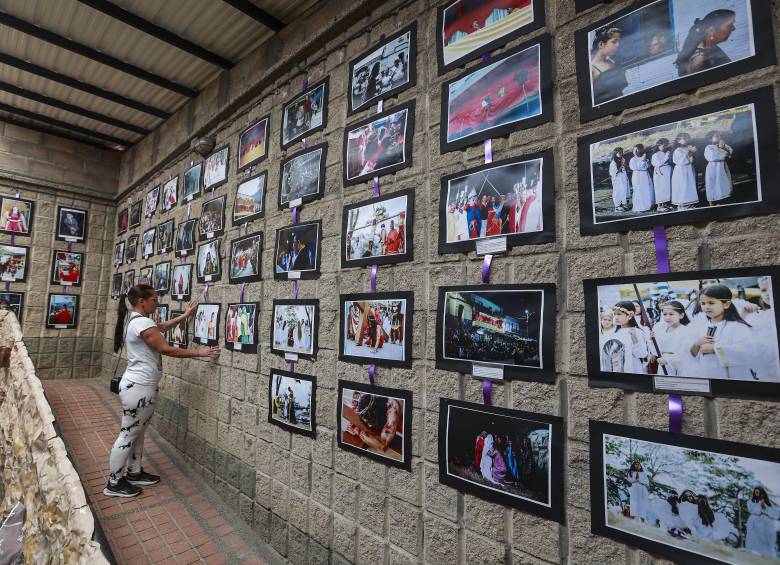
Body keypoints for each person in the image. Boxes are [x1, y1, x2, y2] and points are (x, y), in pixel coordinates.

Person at [105, 285, 219, 498]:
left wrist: (185, 316)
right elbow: (165, 348)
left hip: (138, 386)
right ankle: (114, 482)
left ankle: (134, 472)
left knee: (137, 432)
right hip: (139, 387)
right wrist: (201, 352)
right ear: (142, 301)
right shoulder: (142, 322)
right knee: (128, 434)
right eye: (154, 299)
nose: (157, 302)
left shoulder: (137, 320)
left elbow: (161, 328)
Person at [687, 284, 754, 380]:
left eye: (711, 303)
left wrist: (715, 348)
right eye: (703, 303)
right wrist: (697, 344)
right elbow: (690, 355)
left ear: (726, 304)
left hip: (731, 379)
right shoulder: (701, 326)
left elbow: (746, 352)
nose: (706, 307)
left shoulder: (737, 327)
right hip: (706, 376)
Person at [675, 10, 736, 76]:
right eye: (729, 25)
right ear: (712, 30)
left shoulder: (709, 47)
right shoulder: (699, 59)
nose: (733, 28)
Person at [600, 301, 649, 373]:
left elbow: (642, 354)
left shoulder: (636, 332)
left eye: (619, 314)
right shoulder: (612, 332)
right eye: (615, 314)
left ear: (630, 315)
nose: (616, 317)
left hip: (631, 370)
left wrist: (634, 338)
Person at [651, 301, 692, 376]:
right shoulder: (661, 330)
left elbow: (686, 354)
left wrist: (668, 360)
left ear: (681, 315)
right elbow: (656, 351)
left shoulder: (686, 331)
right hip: (663, 364)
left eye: (671, 314)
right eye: (665, 314)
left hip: (680, 366)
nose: (667, 317)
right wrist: (653, 340)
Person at [590, 27, 627, 105]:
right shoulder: (592, 70)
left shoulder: (613, 62)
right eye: (614, 42)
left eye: (619, 41)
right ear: (601, 44)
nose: (618, 45)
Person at [746, 487, 780, 558]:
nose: (758, 494)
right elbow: (752, 510)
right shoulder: (751, 501)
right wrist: (760, 506)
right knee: (753, 538)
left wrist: (765, 508)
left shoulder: (769, 502)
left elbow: (776, 514)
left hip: (767, 523)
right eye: (756, 492)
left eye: (759, 492)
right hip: (755, 522)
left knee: (766, 542)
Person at [704, 130, 733, 204]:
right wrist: (723, 152)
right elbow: (713, 157)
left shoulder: (723, 145)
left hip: (723, 167)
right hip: (714, 168)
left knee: (724, 181)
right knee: (714, 183)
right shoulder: (709, 147)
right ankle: (713, 200)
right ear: (710, 139)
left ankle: (724, 197)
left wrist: (723, 148)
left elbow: (730, 151)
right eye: (717, 136)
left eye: (720, 135)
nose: (719, 137)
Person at [671, 133, 699, 209]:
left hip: (689, 169)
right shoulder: (678, 150)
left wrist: (694, 152)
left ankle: (691, 203)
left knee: (690, 185)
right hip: (681, 171)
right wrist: (691, 152)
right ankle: (683, 205)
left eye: (688, 138)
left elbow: (693, 158)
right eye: (684, 138)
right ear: (678, 141)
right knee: (683, 186)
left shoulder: (690, 147)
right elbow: (682, 161)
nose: (687, 140)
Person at [629, 144, 654, 213]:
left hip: (645, 175)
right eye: (634, 150)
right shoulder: (633, 159)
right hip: (637, 176)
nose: (636, 151)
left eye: (637, 150)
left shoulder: (644, 157)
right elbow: (636, 167)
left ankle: (648, 205)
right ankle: (639, 207)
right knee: (639, 190)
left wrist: (646, 161)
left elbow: (648, 166)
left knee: (646, 189)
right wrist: (642, 160)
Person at [651, 138, 673, 212]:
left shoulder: (665, 152)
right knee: (660, 188)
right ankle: (659, 206)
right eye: (664, 146)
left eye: (666, 145)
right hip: (660, 173)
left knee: (666, 188)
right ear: (658, 145)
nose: (665, 147)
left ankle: (665, 204)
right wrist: (666, 156)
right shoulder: (655, 155)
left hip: (666, 173)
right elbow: (658, 163)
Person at [609, 148, 630, 212]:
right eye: (619, 153)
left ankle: (623, 204)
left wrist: (624, 165)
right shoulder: (613, 162)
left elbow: (625, 168)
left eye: (622, 152)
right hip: (617, 179)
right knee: (618, 191)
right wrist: (622, 164)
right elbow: (614, 173)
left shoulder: (620, 160)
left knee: (624, 191)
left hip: (623, 178)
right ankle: (617, 206)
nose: (621, 154)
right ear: (615, 154)